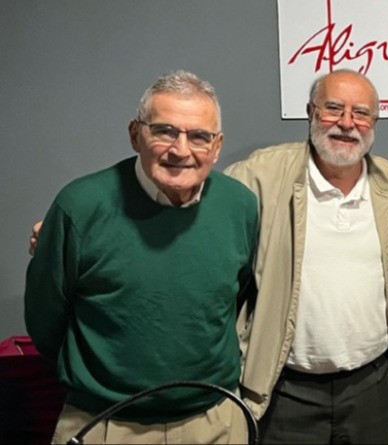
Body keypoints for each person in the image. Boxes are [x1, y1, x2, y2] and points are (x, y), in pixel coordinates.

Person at [25, 70, 258, 444]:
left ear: (217, 146)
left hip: (215, 421)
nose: (180, 150)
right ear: (136, 134)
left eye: (199, 136)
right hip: (106, 422)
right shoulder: (80, 206)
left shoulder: (240, 206)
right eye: (165, 131)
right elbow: (45, 321)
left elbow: (237, 296)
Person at [223, 69, 388, 444]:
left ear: (374, 122)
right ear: (311, 112)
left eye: (361, 113)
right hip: (285, 391)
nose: (347, 123)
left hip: (372, 387)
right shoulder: (257, 177)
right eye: (333, 108)